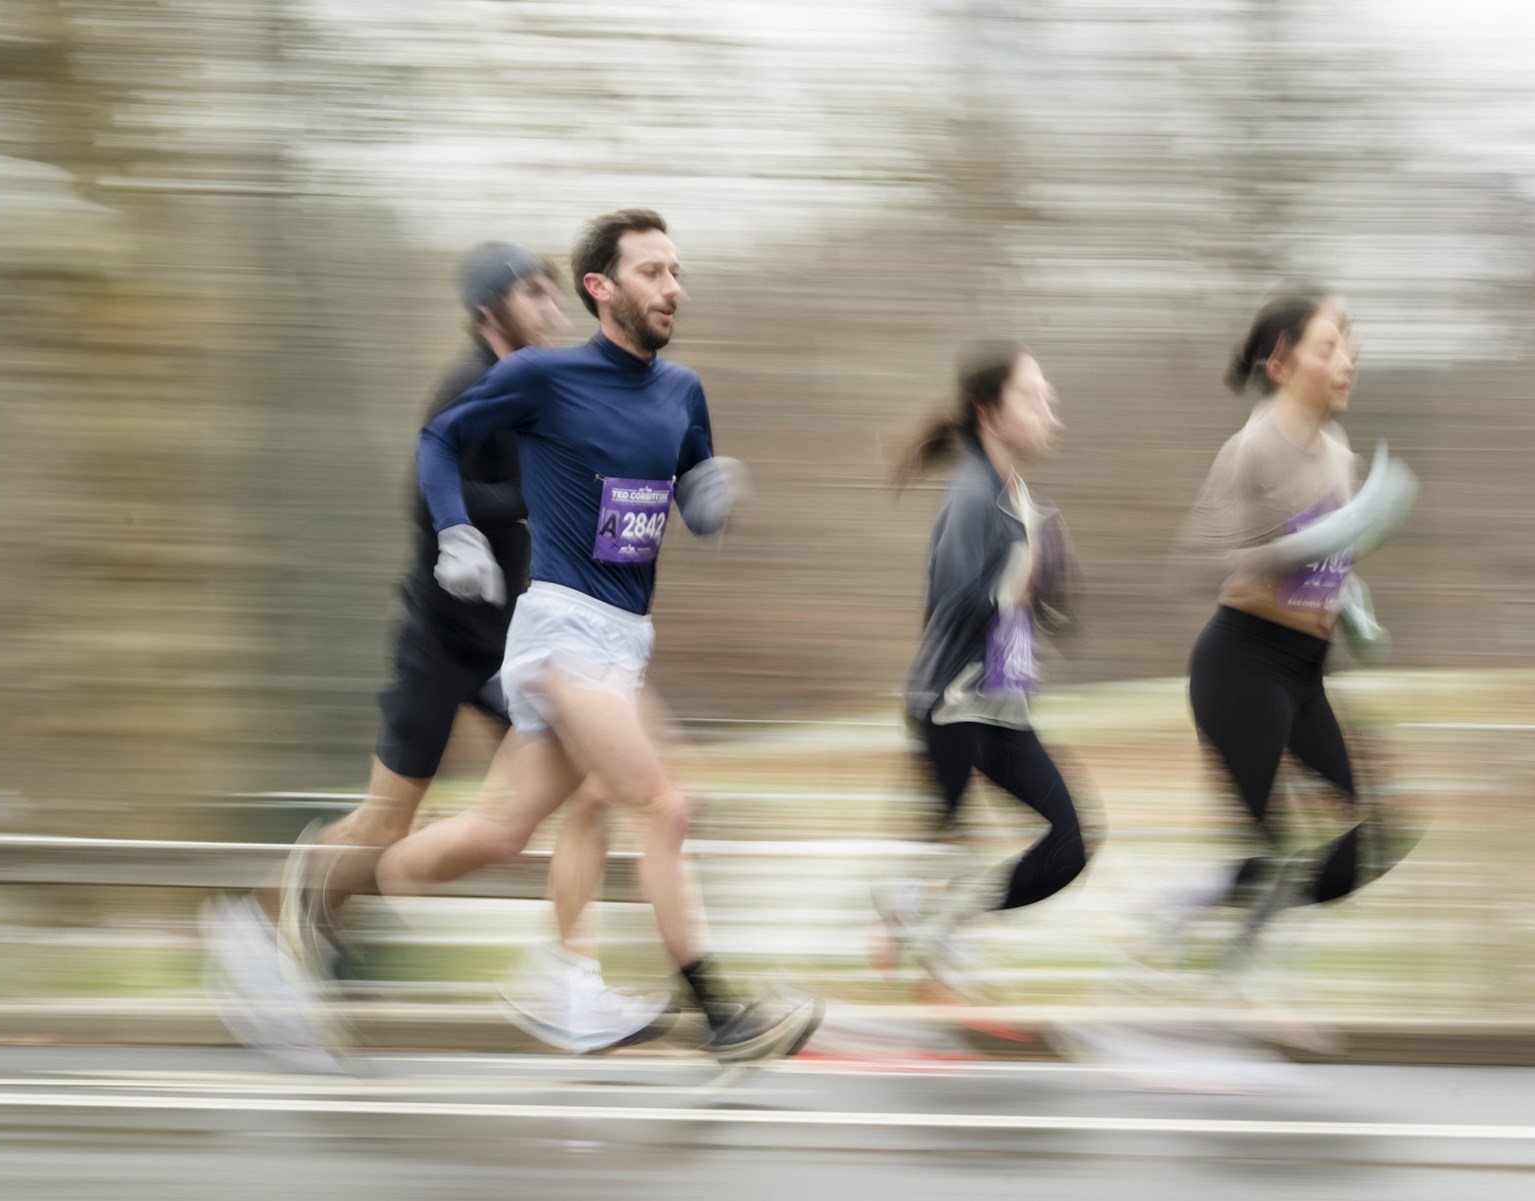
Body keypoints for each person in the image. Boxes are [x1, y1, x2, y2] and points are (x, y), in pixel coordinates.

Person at [200, 242, 671, 1068]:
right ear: (490, 310)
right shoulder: (468, 385)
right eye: (532, 293)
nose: (551, 307)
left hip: (510, 641)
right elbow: (428, 484)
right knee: (385, 822)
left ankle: (569, 979)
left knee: (591, 783)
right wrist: (513, 507)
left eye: (552, 292)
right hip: (441, 642)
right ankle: (263, 922)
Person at [376, 208, 822, 1064]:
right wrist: (457, 531)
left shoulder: (682, 391)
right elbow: (439, 438)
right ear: (601, 288)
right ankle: (724, 1015)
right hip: (560, 630)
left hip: (624, 638)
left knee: (510, 828)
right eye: (652, 272)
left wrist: (711, 501)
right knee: (664, 802)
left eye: (677, 271)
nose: (673, 287)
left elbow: (687, 499)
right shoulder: (544, 377)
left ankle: (384, 880)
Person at [1167, 289, 1418, 980]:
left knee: (1372, 837)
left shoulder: (1339, 455)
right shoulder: (1250, 450)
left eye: (1350, 348)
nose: (1348, 361)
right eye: (1329, 347)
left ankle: (1208, 932)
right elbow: (1206, 560)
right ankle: (1218, 959)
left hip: (1307, 671)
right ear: (1281, 363)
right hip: (1241, 665)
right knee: (1274, 850)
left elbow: (1335, 563)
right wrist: (1321, 540)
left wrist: (1356, 608)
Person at [873, 342, 1095, 1001]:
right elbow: (952, 601)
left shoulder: (1018, 497)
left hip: (997, 706)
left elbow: (1042, 610)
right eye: (1032, 396)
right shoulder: (972, 493)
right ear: (989, 411)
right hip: (952, 708)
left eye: (1048, 398)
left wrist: (1051, 591)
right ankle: (921, 928)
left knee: (1069, 846)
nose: (1048, 410)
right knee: (952, 843)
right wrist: (1018, 581)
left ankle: (927, 918)